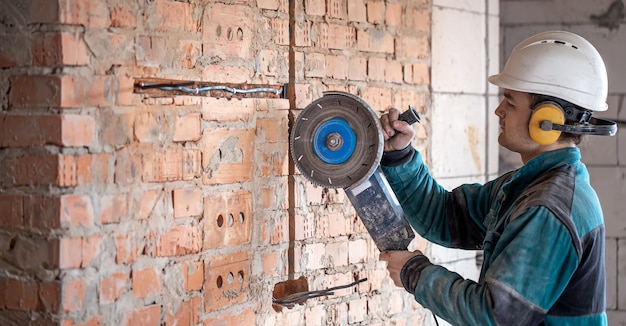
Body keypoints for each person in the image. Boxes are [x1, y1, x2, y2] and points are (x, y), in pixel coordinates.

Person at [378, 30, 616, 325]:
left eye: (510, 102)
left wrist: (415, 272)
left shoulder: (548, 208)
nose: (498, 110)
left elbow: (494, 316)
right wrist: (400, 156)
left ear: (548, 121)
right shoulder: (529, 187)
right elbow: (444, 217)